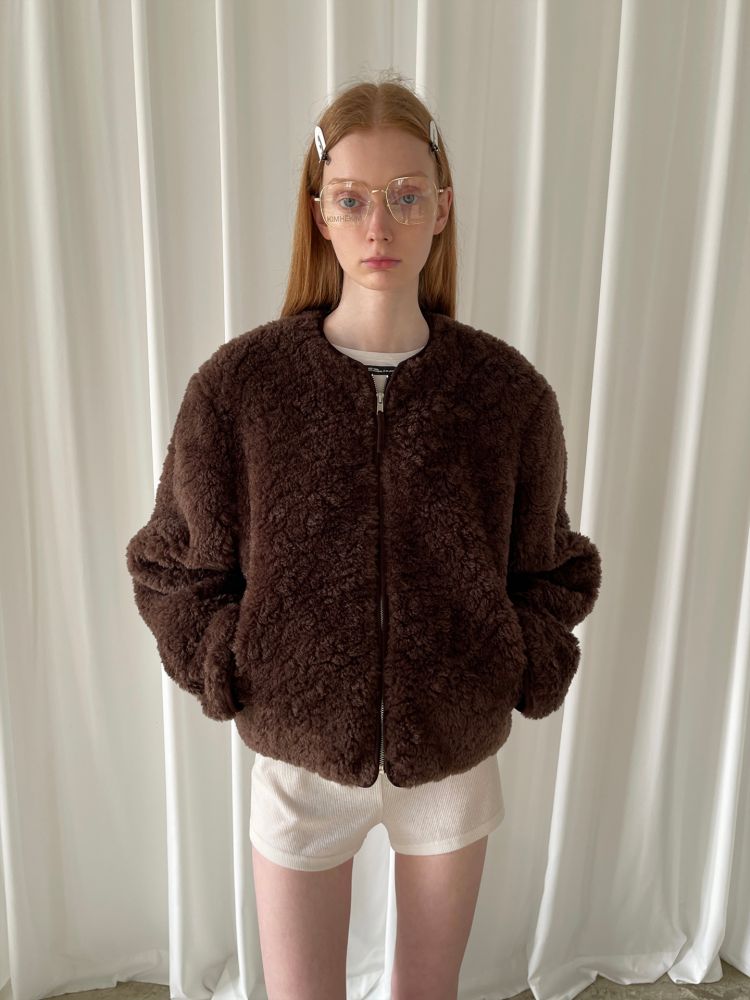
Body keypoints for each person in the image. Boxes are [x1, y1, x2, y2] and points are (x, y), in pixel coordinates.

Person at [126, 72, 602, 1000]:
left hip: (451, 760)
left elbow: (551, 570)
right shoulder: (241, 389)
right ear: (320, 214)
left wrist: (515, 661)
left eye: (405, 195)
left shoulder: (506, 397)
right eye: (351, 198)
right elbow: (170, 566)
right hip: (301, 760)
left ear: (442, 209)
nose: (379, 223)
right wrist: (235, 661)